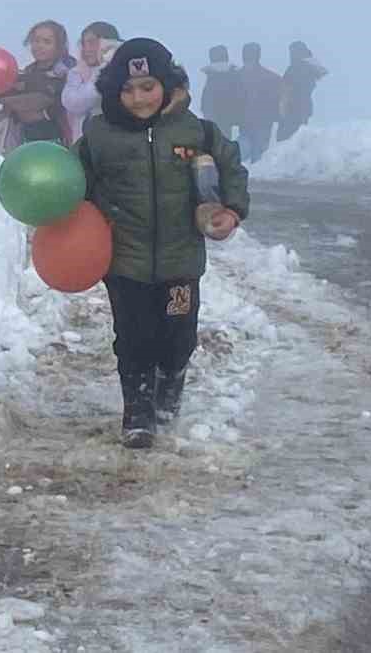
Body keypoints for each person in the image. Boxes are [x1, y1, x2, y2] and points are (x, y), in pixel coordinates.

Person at [77, 38, 250, 449]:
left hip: (180, 262)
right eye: (128, 89)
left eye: (148, 87)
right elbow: (74, 182)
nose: (138, 98)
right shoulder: (99, 136)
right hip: (124, 261)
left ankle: (170, 384)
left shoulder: (197, 131)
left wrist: (233, 209)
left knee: (179, 336)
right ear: (113, 92)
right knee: (133, 337)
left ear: (168, 85)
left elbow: (231, 169)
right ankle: (137, 411)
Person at [0, 20, 75, 149]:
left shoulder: (69, 70)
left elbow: (45, 101)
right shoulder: (28, 71)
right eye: (35, 41)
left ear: (59, 46)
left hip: (59, 140)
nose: (39, 46)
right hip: (27, 139)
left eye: (47, 42)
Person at [63, 21, 122, 144]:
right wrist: (104, 67)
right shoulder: (76, 72)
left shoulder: (121, 72)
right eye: (83, 43)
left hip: (110, 141)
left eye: (92, 42)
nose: (87, 49)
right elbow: (74, 103)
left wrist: (109, 61)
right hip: (81, 143)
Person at [277, 40, 329, 142]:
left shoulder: (294, 68)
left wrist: (282, 109)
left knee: (286, 139)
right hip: (305, 108)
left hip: (292, 109)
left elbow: (285, 91)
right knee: (297, 138)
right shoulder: (310, 67)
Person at [238, 42, 282, 163]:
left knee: (242, 153)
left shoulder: (237, 76)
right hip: (263, 122)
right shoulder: (272, 78)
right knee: (258, 157)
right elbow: (279, 98)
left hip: (247, 121)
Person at [200, 45, 245, 140]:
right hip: (232, 120)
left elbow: (206, 103)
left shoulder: (212, 76)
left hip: (215, 121)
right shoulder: (235, 75)